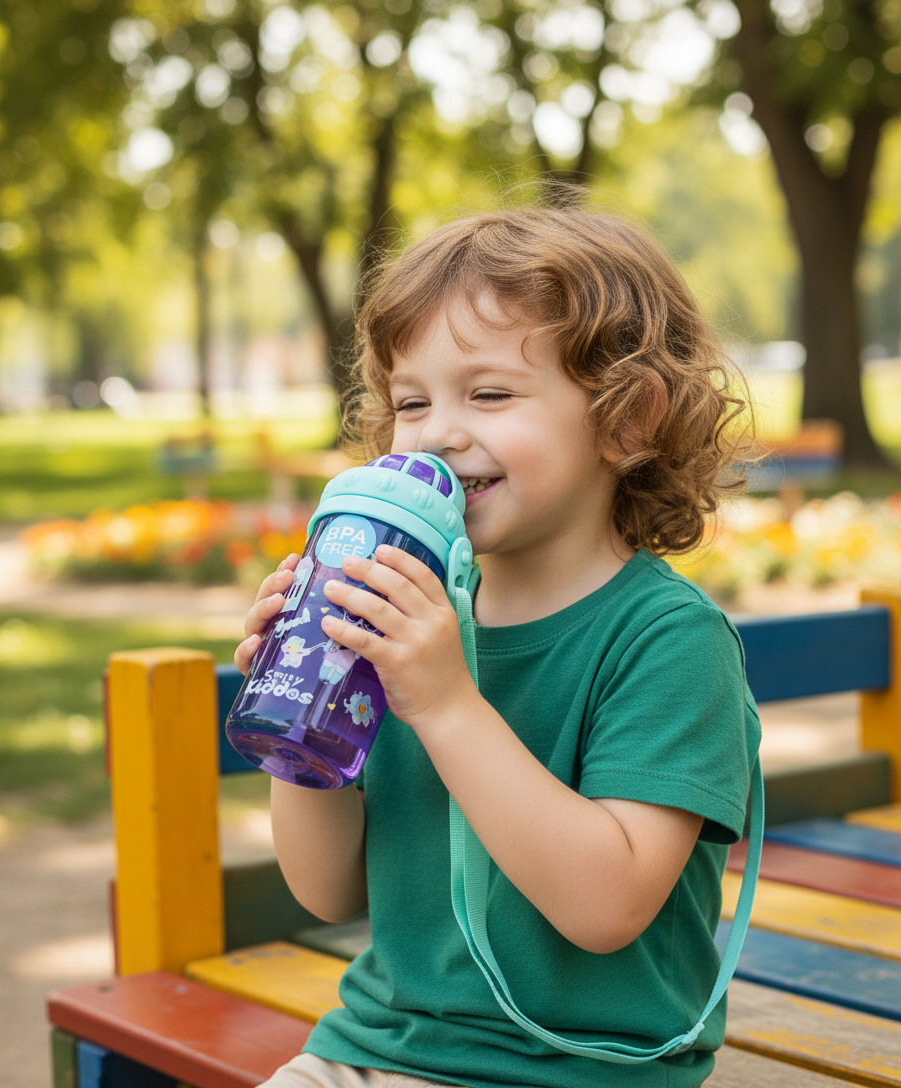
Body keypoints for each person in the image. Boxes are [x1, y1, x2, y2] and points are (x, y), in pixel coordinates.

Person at [234, 201, 762, 1088]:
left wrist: (445, 703)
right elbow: (329, 891)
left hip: (582, 1073)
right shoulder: (408, 614)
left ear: (628, 419)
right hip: (373, 1050)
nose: (438, 430)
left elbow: (605, 908)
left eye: (488, 393)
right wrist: (300, 707)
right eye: (411, 401)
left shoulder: (667, 641)